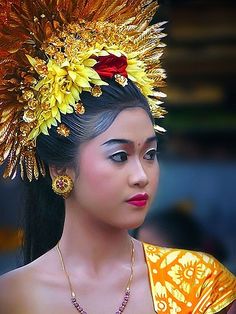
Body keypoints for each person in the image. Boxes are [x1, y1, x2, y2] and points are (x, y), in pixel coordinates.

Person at [0, 1, 235, 313]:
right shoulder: (12, 297)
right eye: (119, 156)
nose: (141, 175)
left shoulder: (199, 282)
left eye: (150, 154)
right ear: (60, 170)